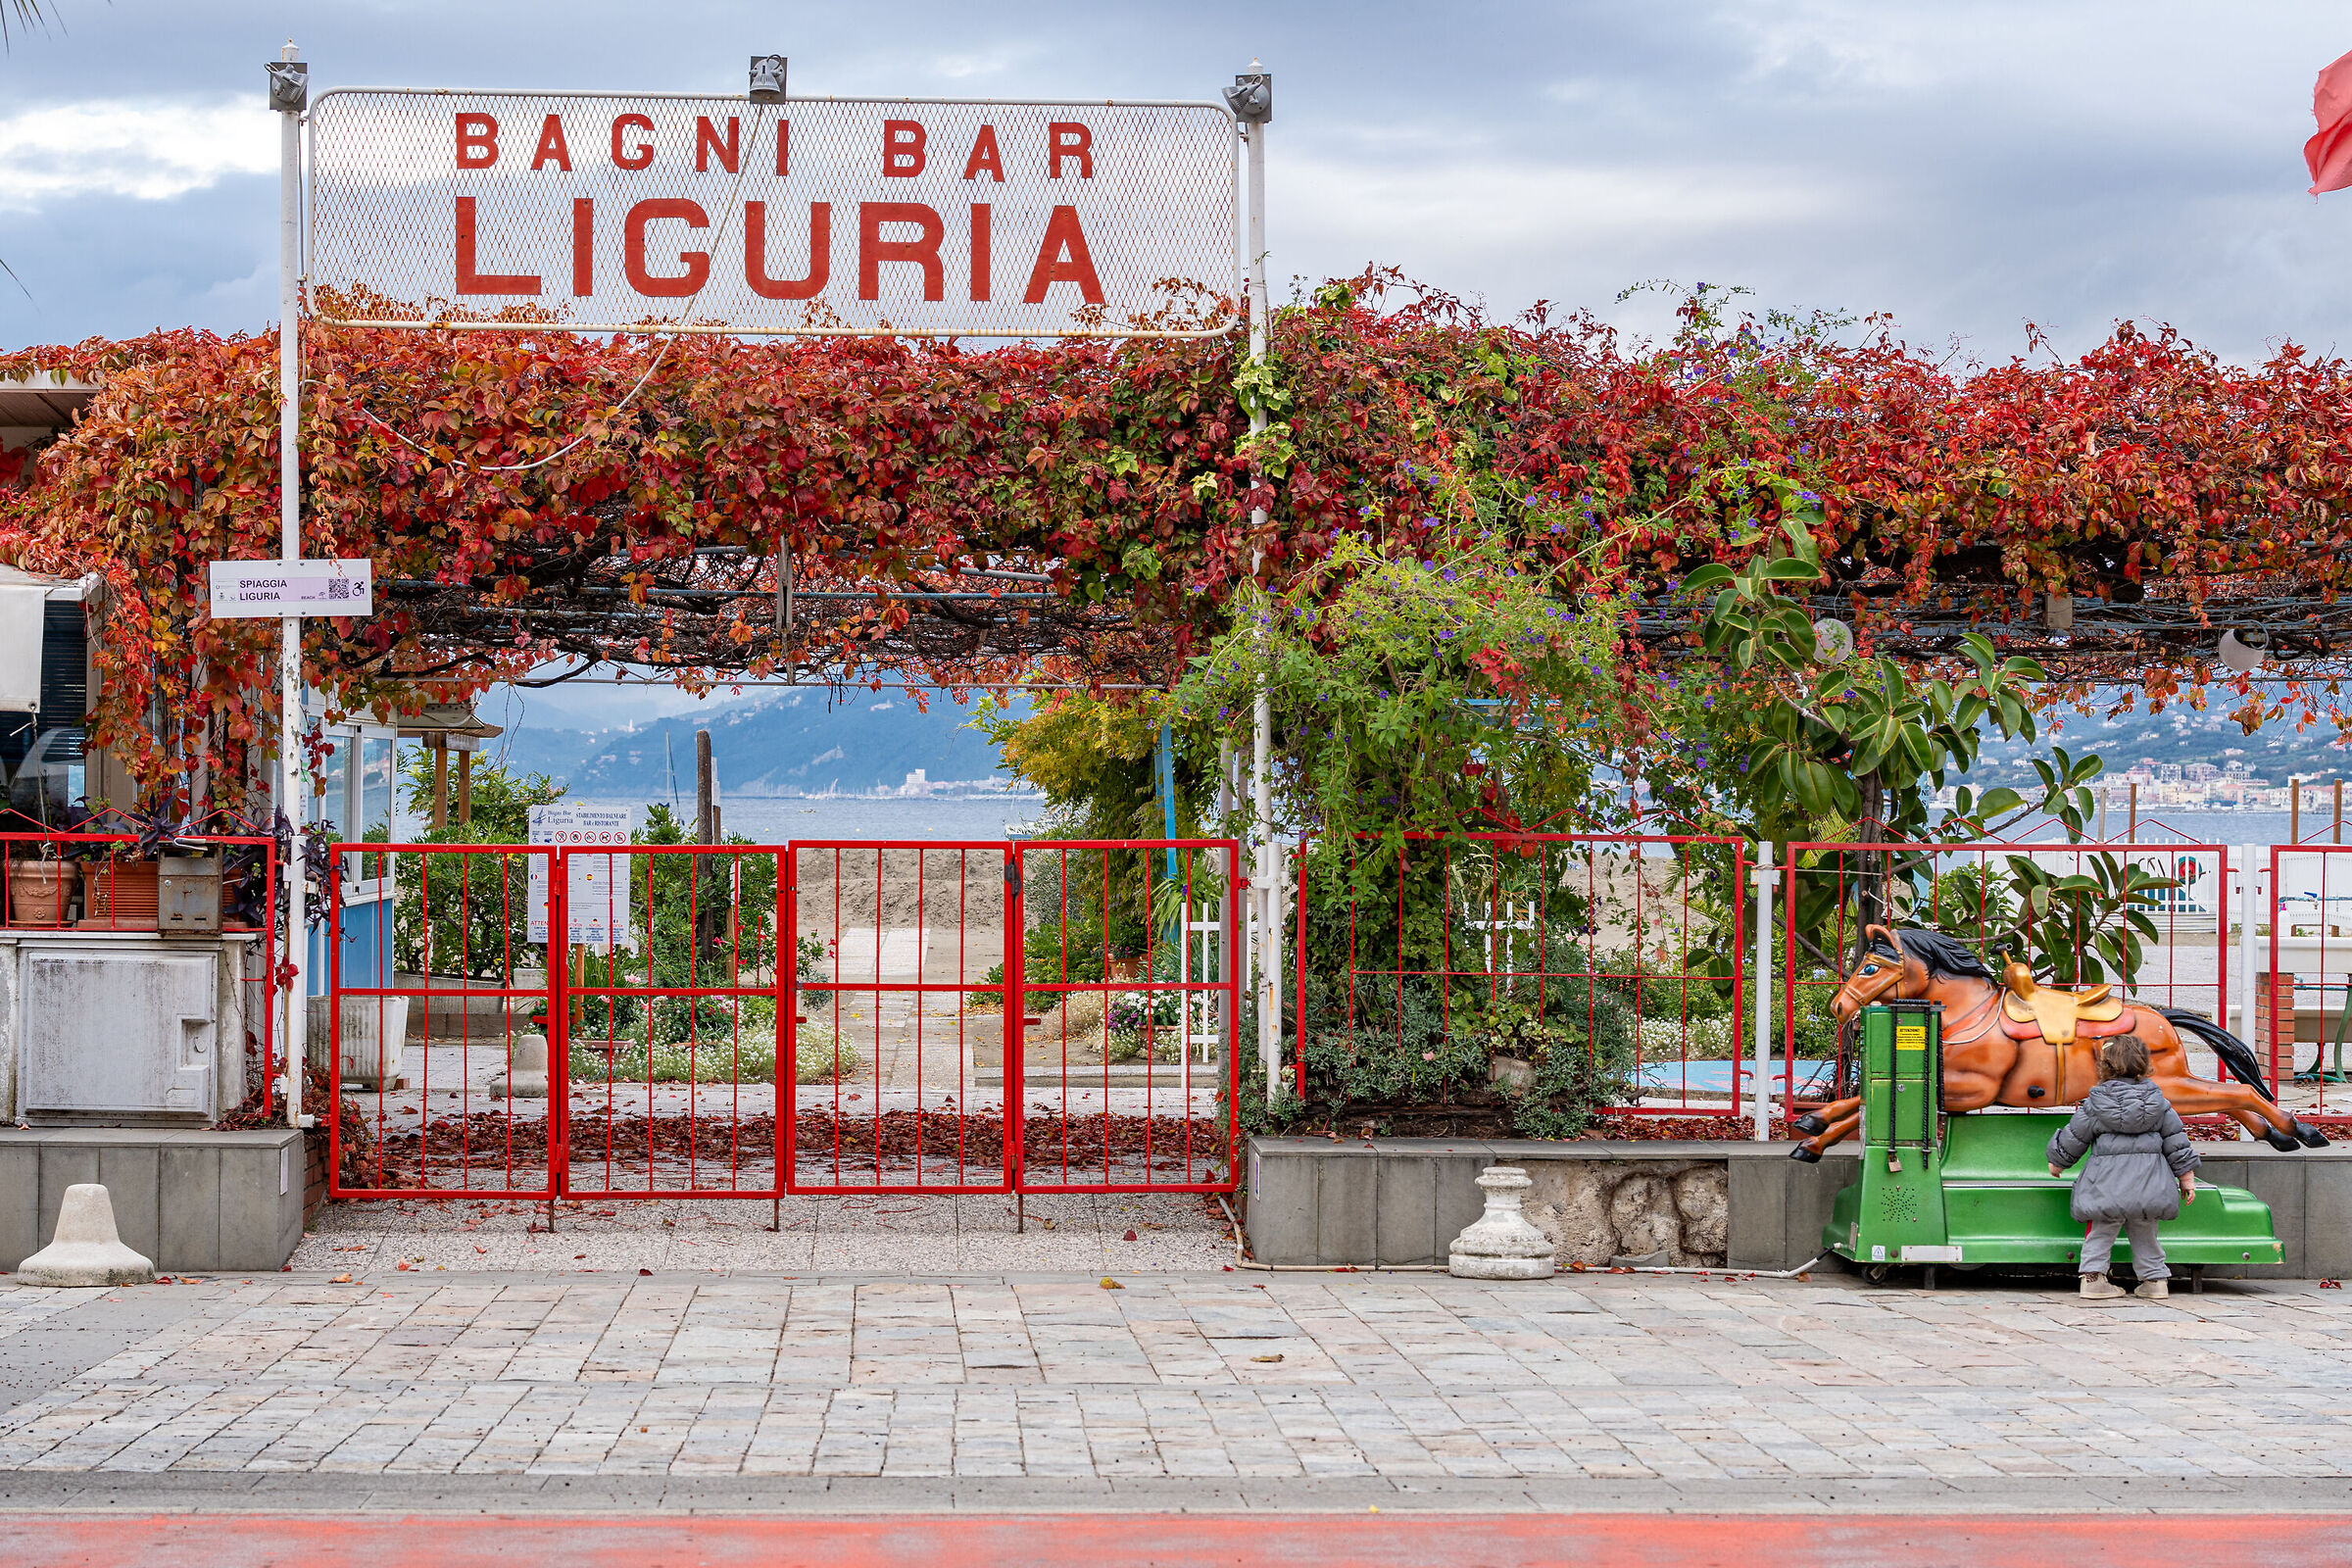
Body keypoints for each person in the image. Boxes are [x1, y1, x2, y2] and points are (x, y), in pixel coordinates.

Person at [2046, 1035, 2200, 1301]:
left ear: (2105, 1066)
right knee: (2146, 1234)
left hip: (2107, 1186)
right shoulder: (2159, 1104)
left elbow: (2075, 1136)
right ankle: (2154, 1281)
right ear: (2144, 1065)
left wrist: (2058, 1161)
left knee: (2101, 1232)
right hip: (2149, 1185)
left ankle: (2093, 1280)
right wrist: (2186, 1179)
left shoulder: (2095, 1104)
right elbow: (2177, 1143)